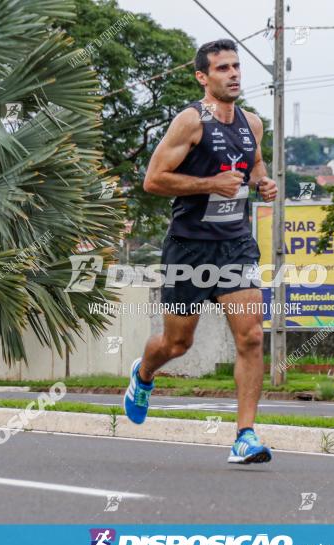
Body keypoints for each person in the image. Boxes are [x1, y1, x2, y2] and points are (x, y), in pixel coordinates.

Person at [127, 39, 279, 465]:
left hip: (234, 244)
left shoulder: (253, 123)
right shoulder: (190, 122)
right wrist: (209, 184)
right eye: (222, 68)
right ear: (203, 77)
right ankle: (143, 374)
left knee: (250, 337)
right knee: (178, 343)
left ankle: (244, 436)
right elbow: (153, 180)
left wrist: (262, 184)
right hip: (189, 247)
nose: (233, 74)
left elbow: (255, 167)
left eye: (236, 66)